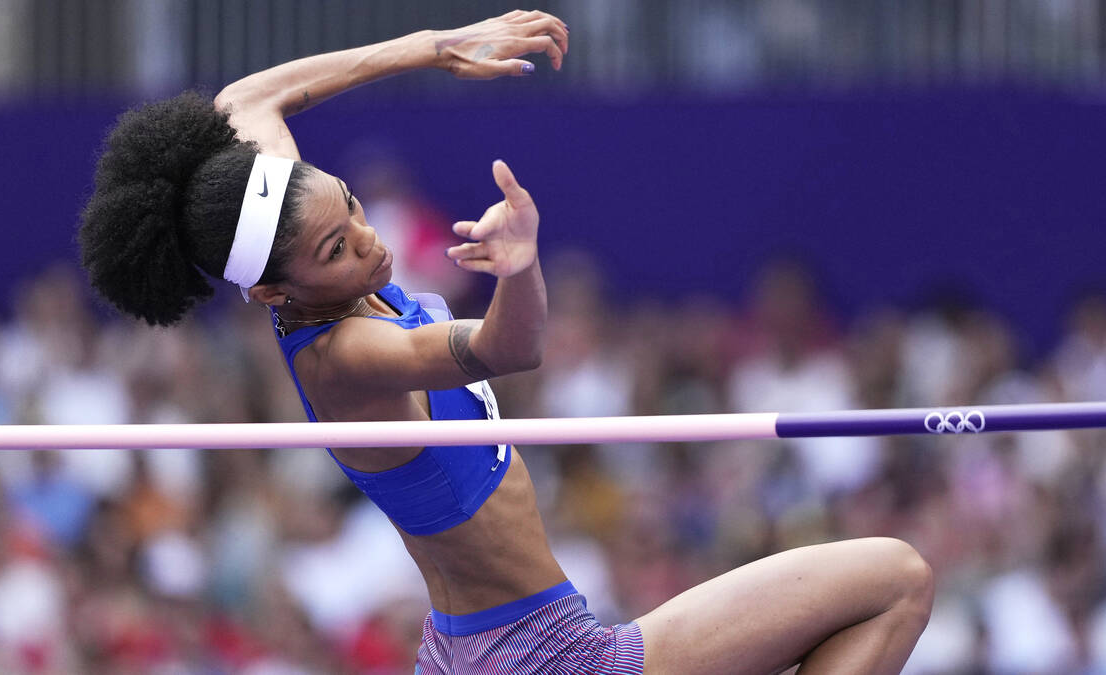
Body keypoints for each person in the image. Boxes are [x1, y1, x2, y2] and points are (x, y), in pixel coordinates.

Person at [79, 10, 933, 674]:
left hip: (469, 643)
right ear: (272, 291)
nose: (371, 245)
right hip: (544, 654)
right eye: (337, 251)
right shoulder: (348, 359)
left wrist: (435, 44)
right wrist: (519, 270)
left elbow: (245, 102)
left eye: (354, 209)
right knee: (896, 579)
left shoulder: (291, 244)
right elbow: (506, 349)